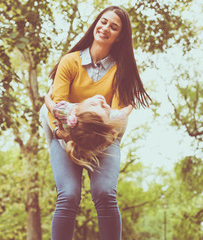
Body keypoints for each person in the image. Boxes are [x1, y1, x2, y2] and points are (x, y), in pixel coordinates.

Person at [44, 5, 151, 240]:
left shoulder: (121, 71)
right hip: (64, 136)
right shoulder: (70, 61)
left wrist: (80, 116)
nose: (105, 29)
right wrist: (64, 126)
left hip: (104, 139)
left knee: (104, 192)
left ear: (120, 36)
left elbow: (114, 120)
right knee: (69, 195)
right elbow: (58, 108)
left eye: (114, 27)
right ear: (95, 24)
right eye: (103, 22)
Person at [43, 89, 132, 171]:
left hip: (87, 145)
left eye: (104, 108)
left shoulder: (64, 111)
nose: (100, 101)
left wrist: (47, 95)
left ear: (76, 110)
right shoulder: (112, 118)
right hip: (85, 144)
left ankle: (86, 154)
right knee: (121, 120)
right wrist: (131, 103)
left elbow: (50, 105)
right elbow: (125, 111)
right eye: (94, 105)